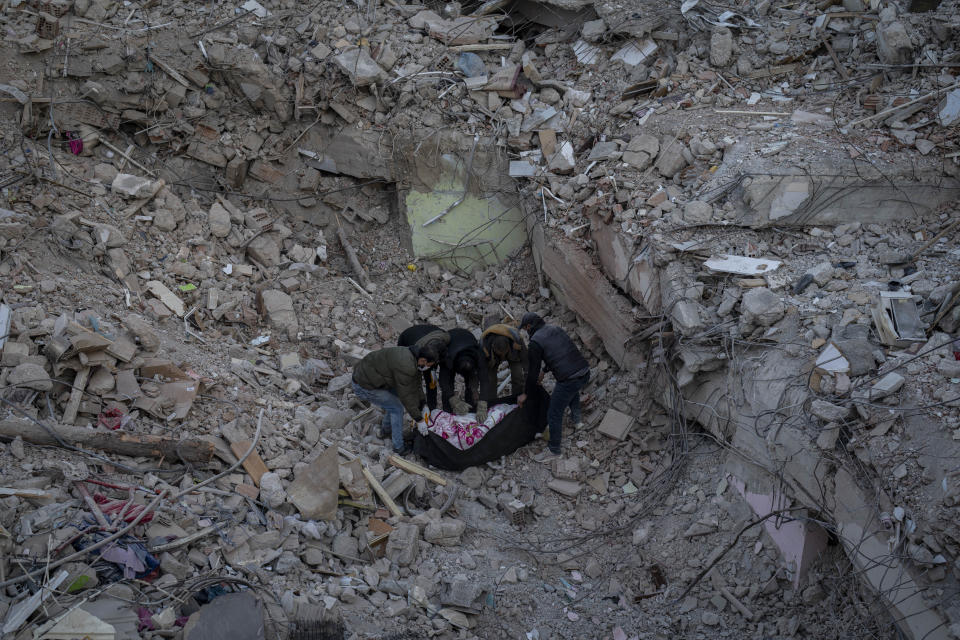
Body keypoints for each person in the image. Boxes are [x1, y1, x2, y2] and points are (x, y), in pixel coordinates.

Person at [518, 312, 590, 461]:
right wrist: (544, 371)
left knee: (554, 413)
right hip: (584, 372)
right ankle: (577, 421)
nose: (526, 332)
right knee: (571, 390)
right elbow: (561, 352)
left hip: (569, 380)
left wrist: (526, 393)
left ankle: (554, 450)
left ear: (529, 326)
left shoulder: (535, 343)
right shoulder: (555, 329)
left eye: (525, 329)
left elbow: (532, 372)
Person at [352, 343, 440, 455]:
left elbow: (416, 383)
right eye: (429, 365)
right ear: (423, 360)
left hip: (374, 377)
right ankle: (399, 447)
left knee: (395, 402)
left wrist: (423, 404)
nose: (429, 368)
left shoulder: (413, 355)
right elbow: (406, 396)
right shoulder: (407, 366)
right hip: (364, 385)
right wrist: (419, 419)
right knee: (397, 408)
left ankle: (386, 430)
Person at [439, 328, 491, 419]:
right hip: (451, 344)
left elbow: (485, 380)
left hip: (467, 339)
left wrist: (482, 404)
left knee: (470, 384)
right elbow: (444, 381)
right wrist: (454, 400)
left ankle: (471, 411)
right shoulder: (448, 358)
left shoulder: (479, 356)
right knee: (449, 384)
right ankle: (447, 413)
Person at [397, 324, 451, 411]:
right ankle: (414, 406)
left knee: (431, 380)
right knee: (412, 376)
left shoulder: (445, 339)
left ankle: (432, 408)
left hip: (430, 333)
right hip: (407, 338)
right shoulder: (416, 351)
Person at [480, 320, 527, 415]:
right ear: (493, 347)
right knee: (490, 379)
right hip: (492, 357)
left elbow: (526, 362)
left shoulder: (517, 341)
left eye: (503, 353)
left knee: (518, 375)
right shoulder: (484, 347)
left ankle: (516, 402)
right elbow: (483, 373)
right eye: (499, 354)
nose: (502, 357)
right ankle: (491, 404)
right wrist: (483, 401)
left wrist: (527, 388)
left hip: (513, 354)